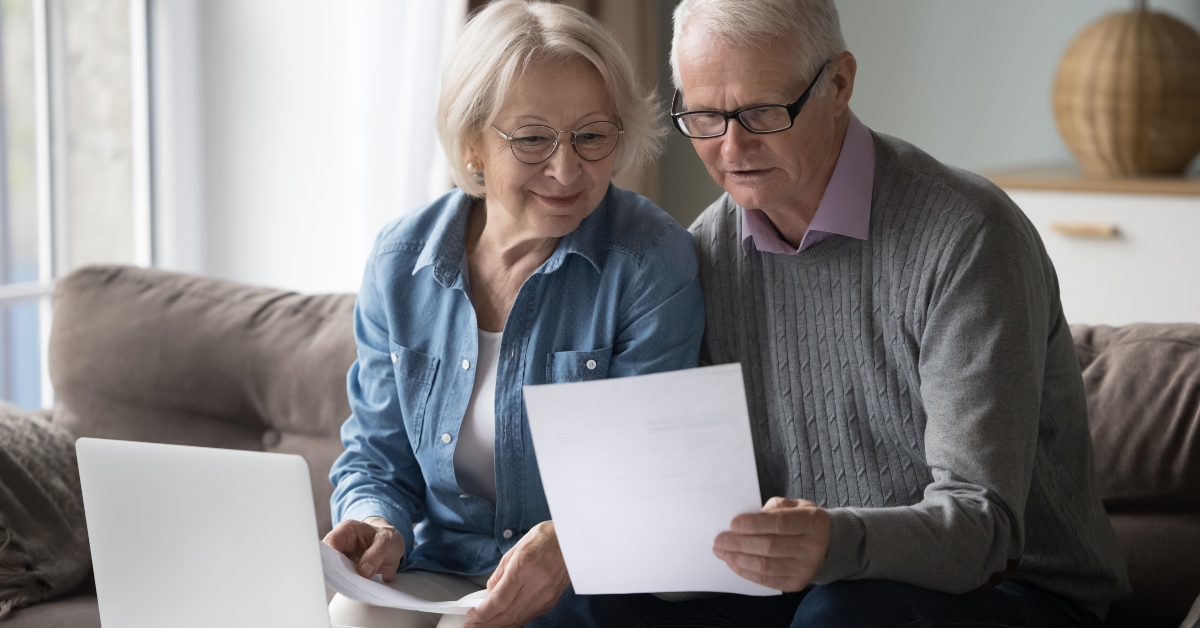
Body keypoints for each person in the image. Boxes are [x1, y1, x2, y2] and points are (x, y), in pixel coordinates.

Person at [534, 1, 1132, 626]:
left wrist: (833, 543)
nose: (731, 147)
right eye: (706, 116)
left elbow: (984, 532)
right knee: (575, 606)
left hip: (1016, 591)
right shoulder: (702, 253)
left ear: (840, 83)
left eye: (763, 112)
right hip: (801, 583)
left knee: (842, 613)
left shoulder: (966, 237)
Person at [322, 2, 703, 627]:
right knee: (354, 613)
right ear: (473, 143)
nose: (566, 168)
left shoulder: (649, 261)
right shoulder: (400, 262)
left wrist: (567, 540)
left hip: (582, 579)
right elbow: (374, 454)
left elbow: (646, 472)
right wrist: (376, 522)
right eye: (531, 138)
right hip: (445, 562)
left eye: (592, 135)